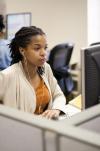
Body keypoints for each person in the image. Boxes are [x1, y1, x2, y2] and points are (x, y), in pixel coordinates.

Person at [0, 26, 67, 119]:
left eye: (45, 47)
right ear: (22, 50)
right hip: (22, 130)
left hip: (46, 127)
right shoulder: (7, 76)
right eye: (37, 48)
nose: (44, 53)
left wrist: (55, 109)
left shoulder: (45, 68)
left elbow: (58, 95)